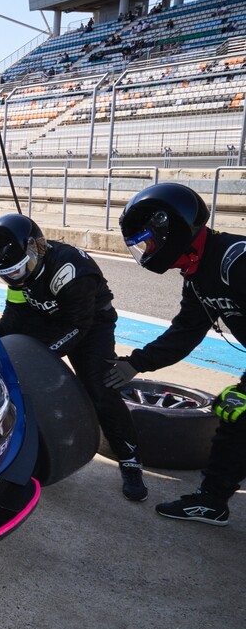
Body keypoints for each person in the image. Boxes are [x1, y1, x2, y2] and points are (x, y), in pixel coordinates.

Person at [107, 183, 246, 525]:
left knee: (239, 411)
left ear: (173, 231)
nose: (148, 251)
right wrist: (135, 363)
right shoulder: (197, 275)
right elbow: (185, 333)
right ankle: (212, 502)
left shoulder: (236, 260)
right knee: (236, 418)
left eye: (149, 242)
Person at [0, 213, 147, 501]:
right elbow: (12, 319)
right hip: (45, 317)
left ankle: (130, 459)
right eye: (7, 274)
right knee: (7, 366)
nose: (14, 278)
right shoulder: (17, 275)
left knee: (100, 388)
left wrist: (41, 358)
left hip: (90, 324)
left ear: (36, 249)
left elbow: (78, 325)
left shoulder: (71, 270)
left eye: (18, 271)